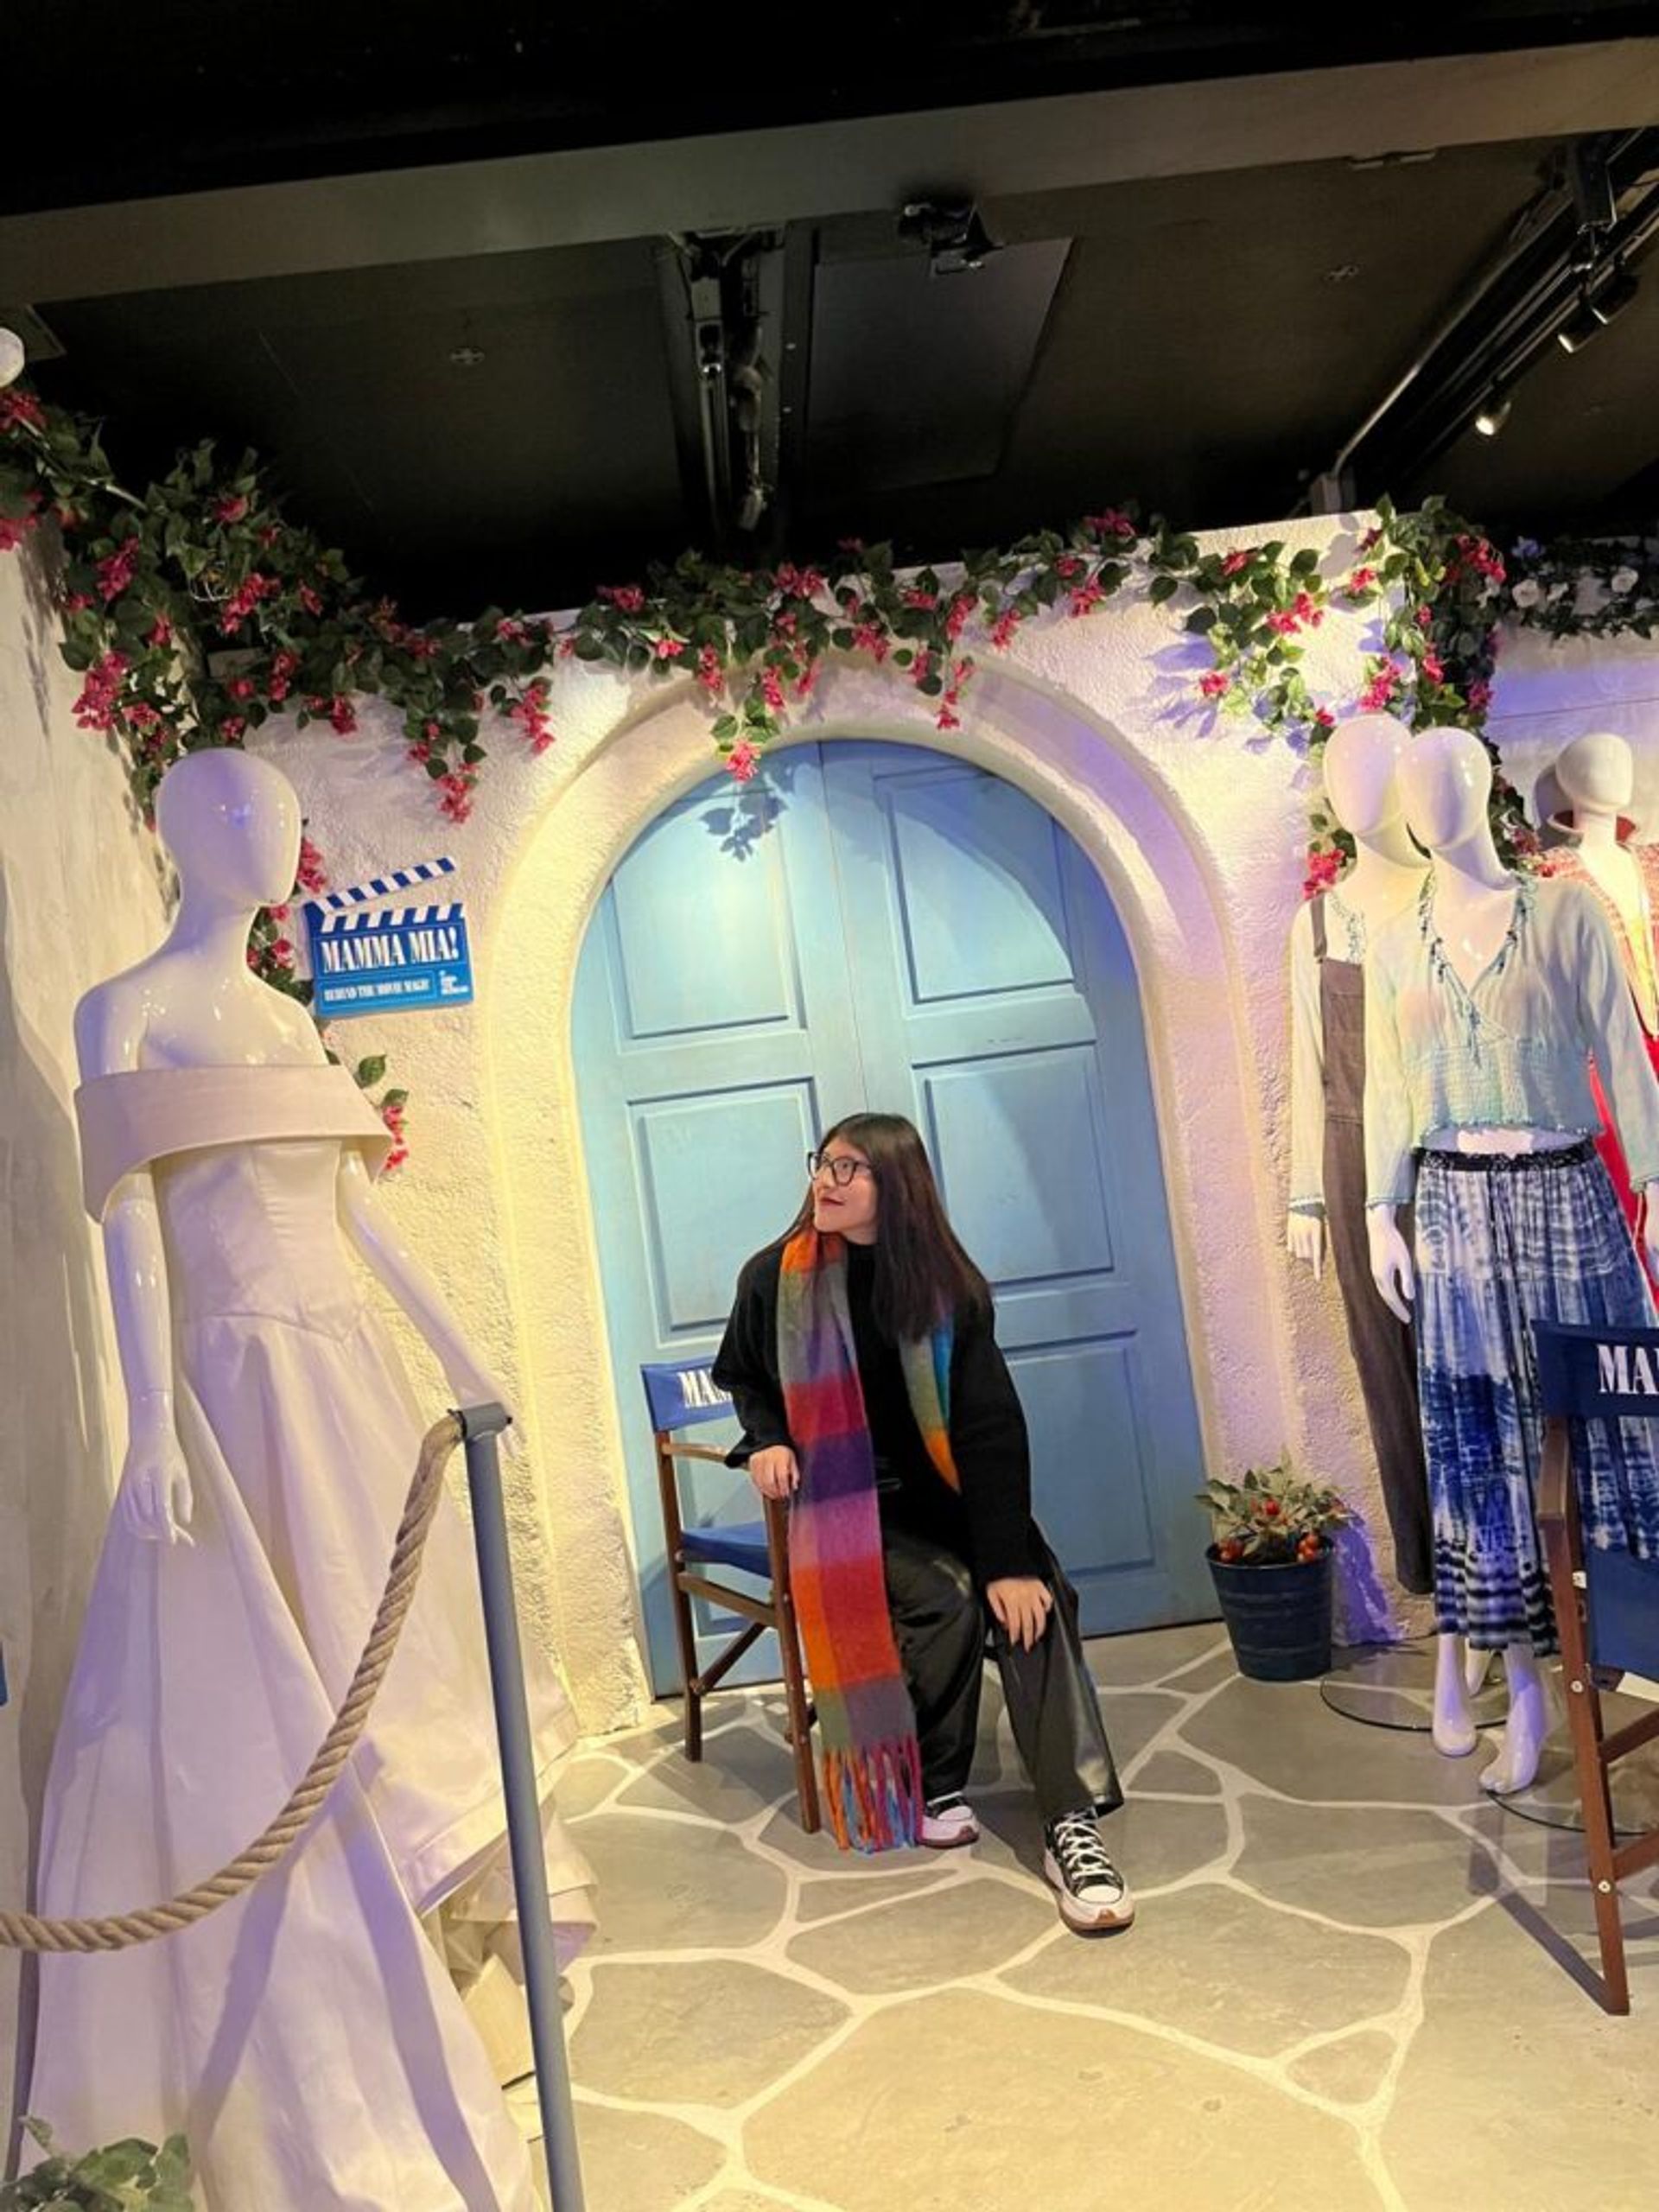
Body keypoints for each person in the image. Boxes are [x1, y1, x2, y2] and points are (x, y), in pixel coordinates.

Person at [712, 1111, 1132, 1935]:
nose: (825, 1183)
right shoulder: (775, 1277)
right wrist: (764, 1439)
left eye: (849, 1170)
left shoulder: (947, 1288)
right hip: (848, 1508)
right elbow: (745, 1374)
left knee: (1035, 1600)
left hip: (943, 1494)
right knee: (946, 1596)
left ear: (896, 1188)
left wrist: (1007, 1558)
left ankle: (1068, 1823)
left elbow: (989, 1427)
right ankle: (934, 1778)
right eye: (824, 1164)